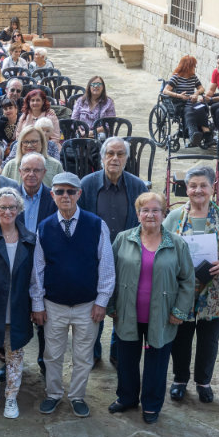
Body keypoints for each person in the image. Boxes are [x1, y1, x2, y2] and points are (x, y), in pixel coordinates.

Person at [30, 172, 114, 419]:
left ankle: (77, 396)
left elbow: (106, 266)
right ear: (52, 194)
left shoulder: (96, 224)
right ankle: (53, 394)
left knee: (83, 355)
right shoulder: (44, 228)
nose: (65, 196)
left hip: (87, 305)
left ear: (79, 193)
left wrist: (102, 301)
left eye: (70, 191)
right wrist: (38, 304)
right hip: (53, 304)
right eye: (59, 191)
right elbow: (38, 270)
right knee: (52, 354)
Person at [107, 192, 195, 424]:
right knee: (126, 359)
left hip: (163, 314)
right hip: (127, 311)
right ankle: (126, 397)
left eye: (156, 210)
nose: (150, 215)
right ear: (137, 214)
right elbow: (110, 274)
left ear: (164, 214)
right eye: (145, 210)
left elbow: (188, 280)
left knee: (157, 362)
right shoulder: (123, 239)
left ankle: (152, 404)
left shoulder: (176, 244)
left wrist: (179, 311)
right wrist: (111, 305)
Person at [163, 166, 219, 404]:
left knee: (209, 338)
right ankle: (179, 380)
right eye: (193, 185)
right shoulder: (175, 217)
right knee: (181, 335)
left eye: (203, 185)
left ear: (212, 188)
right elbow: (161, 245)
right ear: (185, 189)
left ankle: (203, 382)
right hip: (183, 289)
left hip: (217, 289)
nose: (198, 190)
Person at [79, 137, 148, 363]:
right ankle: (93, 352)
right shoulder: (87, 184)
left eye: (120, 154)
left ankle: (118, 354)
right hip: (93, 258)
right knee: (94, 306)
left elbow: (145, 223)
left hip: (126, 257)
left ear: (127, 159)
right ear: (102, 157)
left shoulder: (137, 186)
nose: (115, 158)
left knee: (124, 306)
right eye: (110, 153)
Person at [0, 187, 36, 418]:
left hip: (19, 307)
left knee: (15, 355)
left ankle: (11, 396)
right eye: (2, 207)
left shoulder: (30, 239)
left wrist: (36, 306)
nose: (7, 211)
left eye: (12, 207)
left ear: (19, 209)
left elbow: (35, 276)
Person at [163, 55, 211, 147]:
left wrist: (196, 94)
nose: (195, 68)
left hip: (192, 103)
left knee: (201, 108)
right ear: (187, 66)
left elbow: (202, 88)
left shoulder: (193, 77)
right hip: (181, 105)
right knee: (190, 111)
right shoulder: (176, 77)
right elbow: (165, 91)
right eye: (194, 66)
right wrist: (179, 96)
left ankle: (207, 134)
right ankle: (193, 134)